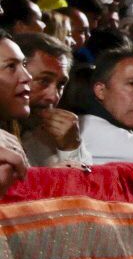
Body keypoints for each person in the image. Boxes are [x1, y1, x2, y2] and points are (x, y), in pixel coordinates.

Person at [3, 32, 88, 166]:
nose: (54, 97)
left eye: (61, 85)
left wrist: (71, 147)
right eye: (43, 81)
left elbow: (84, 185)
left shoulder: (58, 135)